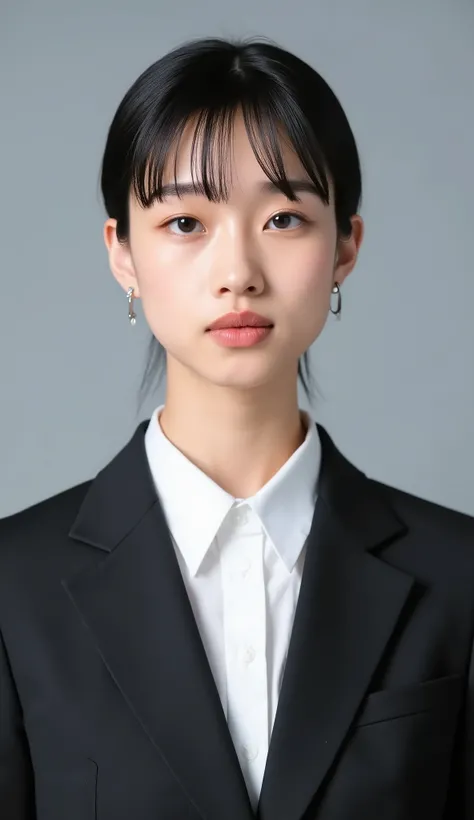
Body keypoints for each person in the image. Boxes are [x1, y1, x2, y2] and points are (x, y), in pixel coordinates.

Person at [0, 35, 473, 820]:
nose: (238, 272)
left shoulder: (457, 579)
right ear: (122, 253)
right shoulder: (14, 591)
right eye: (185, 222)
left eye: (284, 217)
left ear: (345, 246)